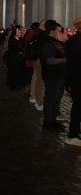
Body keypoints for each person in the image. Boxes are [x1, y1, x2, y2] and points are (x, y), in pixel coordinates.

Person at [40, 22, 67, 132]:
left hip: (59, 75)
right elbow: (50, 60)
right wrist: (65, 59)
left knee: (56, 98)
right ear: (52, 31)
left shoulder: (56, 42)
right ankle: (48, 123)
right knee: (51, 99)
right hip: (52, 76)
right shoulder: (47, 43)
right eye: (58, 30)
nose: (60, 33)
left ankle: (53, 120)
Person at [65, 17, 81, 146]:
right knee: (77, 107)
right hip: (77, 79)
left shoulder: (72, 40)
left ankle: (76, 131)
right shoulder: (76, 41)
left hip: (74, 78)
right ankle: (73, 134)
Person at [6, 25, 26, 91]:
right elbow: (15, 49)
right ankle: (14, 85)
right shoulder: (13, 39)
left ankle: (15, 84)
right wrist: (22, 50)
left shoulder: (18, 38)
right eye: (22, 30)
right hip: (14, 59)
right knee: (14, 72)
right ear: (17, 31)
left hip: (17, 58)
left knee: (16, 72)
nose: (23, 31)